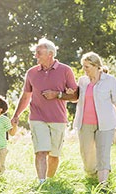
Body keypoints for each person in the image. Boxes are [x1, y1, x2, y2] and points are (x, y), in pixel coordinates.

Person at [11, 38, 78, 185]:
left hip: (58, 118)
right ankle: (42, 182)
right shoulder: (31, 73)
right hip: (37, 117)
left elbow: (75, 96)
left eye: (38, 53)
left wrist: (58, 94)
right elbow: (26, 96)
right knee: (40, 152)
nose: (36, 56)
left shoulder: (66, 70)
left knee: (54, 155)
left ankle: (50, 182)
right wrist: (16, 115)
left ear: (50, 54)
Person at [67, 52, 116, 187]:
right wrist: (70, 94)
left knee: (103, 153)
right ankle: (92, 176)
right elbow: (77, 97)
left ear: (96, 66)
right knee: (87, 156)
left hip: (105, 124)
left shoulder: (110, 80)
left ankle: (103, 185)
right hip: (85, 124)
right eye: (83, 66)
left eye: (87, 67)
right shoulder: (82, 81)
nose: (84, 70)